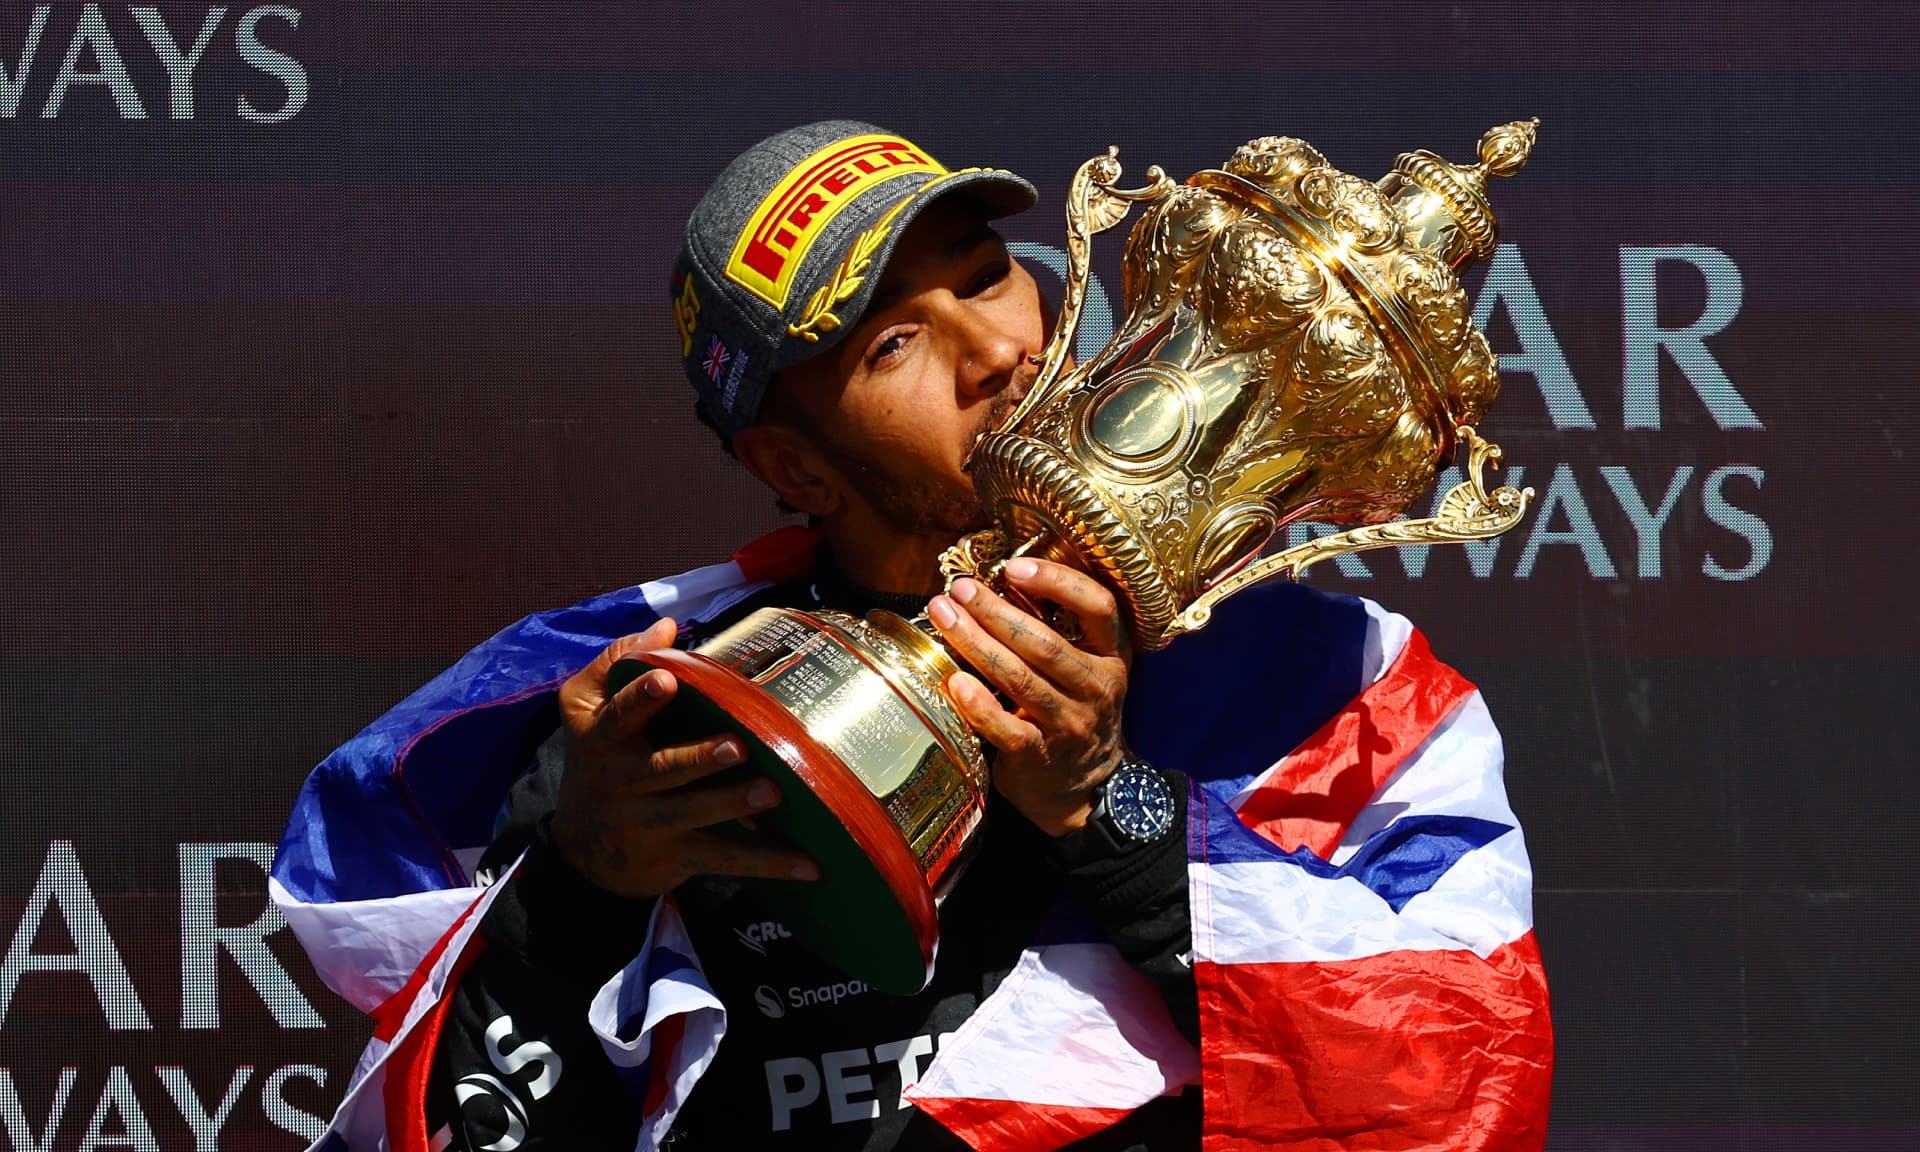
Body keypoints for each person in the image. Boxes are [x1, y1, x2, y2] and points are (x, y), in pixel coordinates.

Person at [271, 121, 1554, 1152]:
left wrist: (1109, 812)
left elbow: (1450, 1096)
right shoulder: (670, 724)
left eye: (988, 274)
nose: (1000, 347)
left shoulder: (1338, 694)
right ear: (795, 462)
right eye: (896, 342)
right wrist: (576, 894)